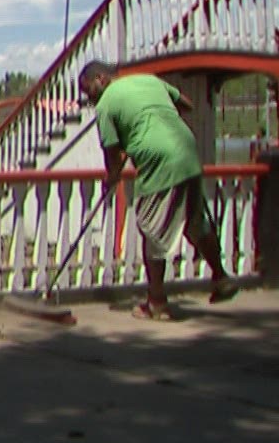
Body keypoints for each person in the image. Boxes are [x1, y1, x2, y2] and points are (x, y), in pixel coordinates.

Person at [77, 61, 231, 319]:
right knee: (196, 222)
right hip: (188, 150)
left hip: (158, 159)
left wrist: (112, 178)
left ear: (101, 79)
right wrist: (154, 120)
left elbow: (112, 154)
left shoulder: (105, 105)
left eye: (88, 90)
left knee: (151, 226)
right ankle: (221, 278)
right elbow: (186, 104)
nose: (88, 97)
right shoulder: (148, 80)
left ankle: (157, 303)